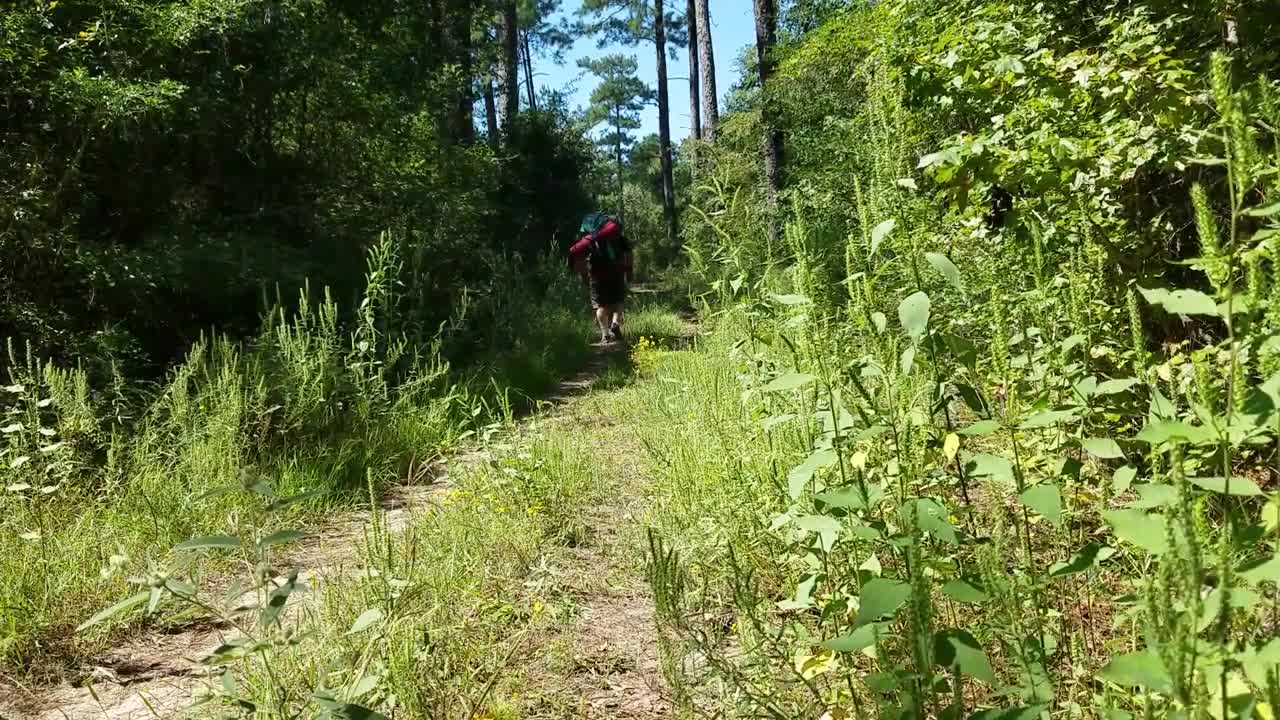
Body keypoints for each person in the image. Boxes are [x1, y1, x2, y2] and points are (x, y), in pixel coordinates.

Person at [568, 212, 633, 344]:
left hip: (597, 275)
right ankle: (615, 323)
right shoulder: (618, 237)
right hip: (616, 273)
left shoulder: (589, 239)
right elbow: (629, 254)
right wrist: (629, 271)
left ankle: (605, 334)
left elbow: (580, 262)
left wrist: (584, 278)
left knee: (600, 306)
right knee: (618, 301)